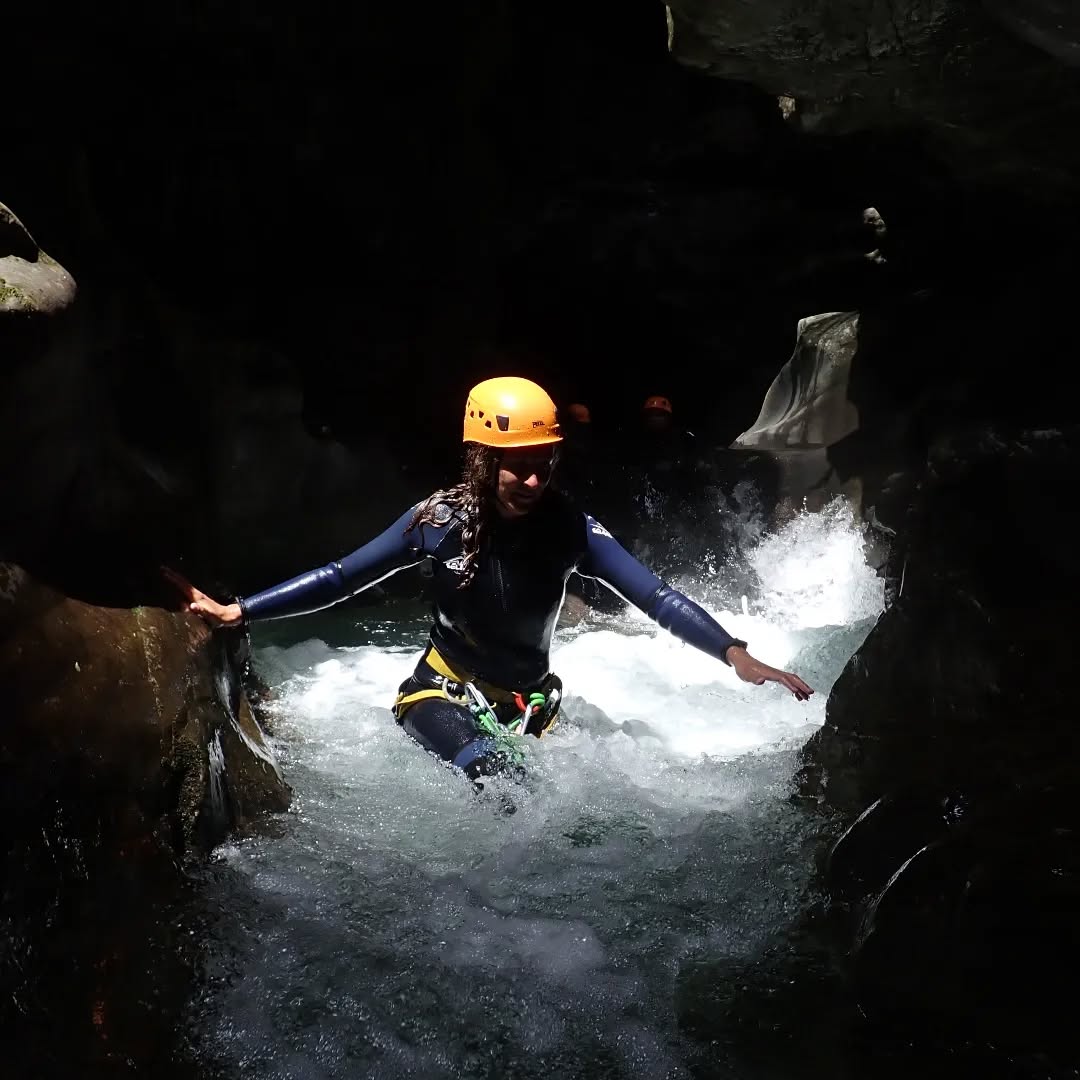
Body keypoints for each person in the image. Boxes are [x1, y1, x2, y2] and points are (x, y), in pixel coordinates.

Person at [165, 377, 813, 782]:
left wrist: (734, 653)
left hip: (534, 706)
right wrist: (240, 611)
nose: (532, 480)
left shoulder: (570, 528)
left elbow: (654, 596)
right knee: (499, 781)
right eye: (516, 466)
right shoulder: (436, 521)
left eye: (542, 464)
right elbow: (342, 578)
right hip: (439, 697)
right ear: (482, 460)